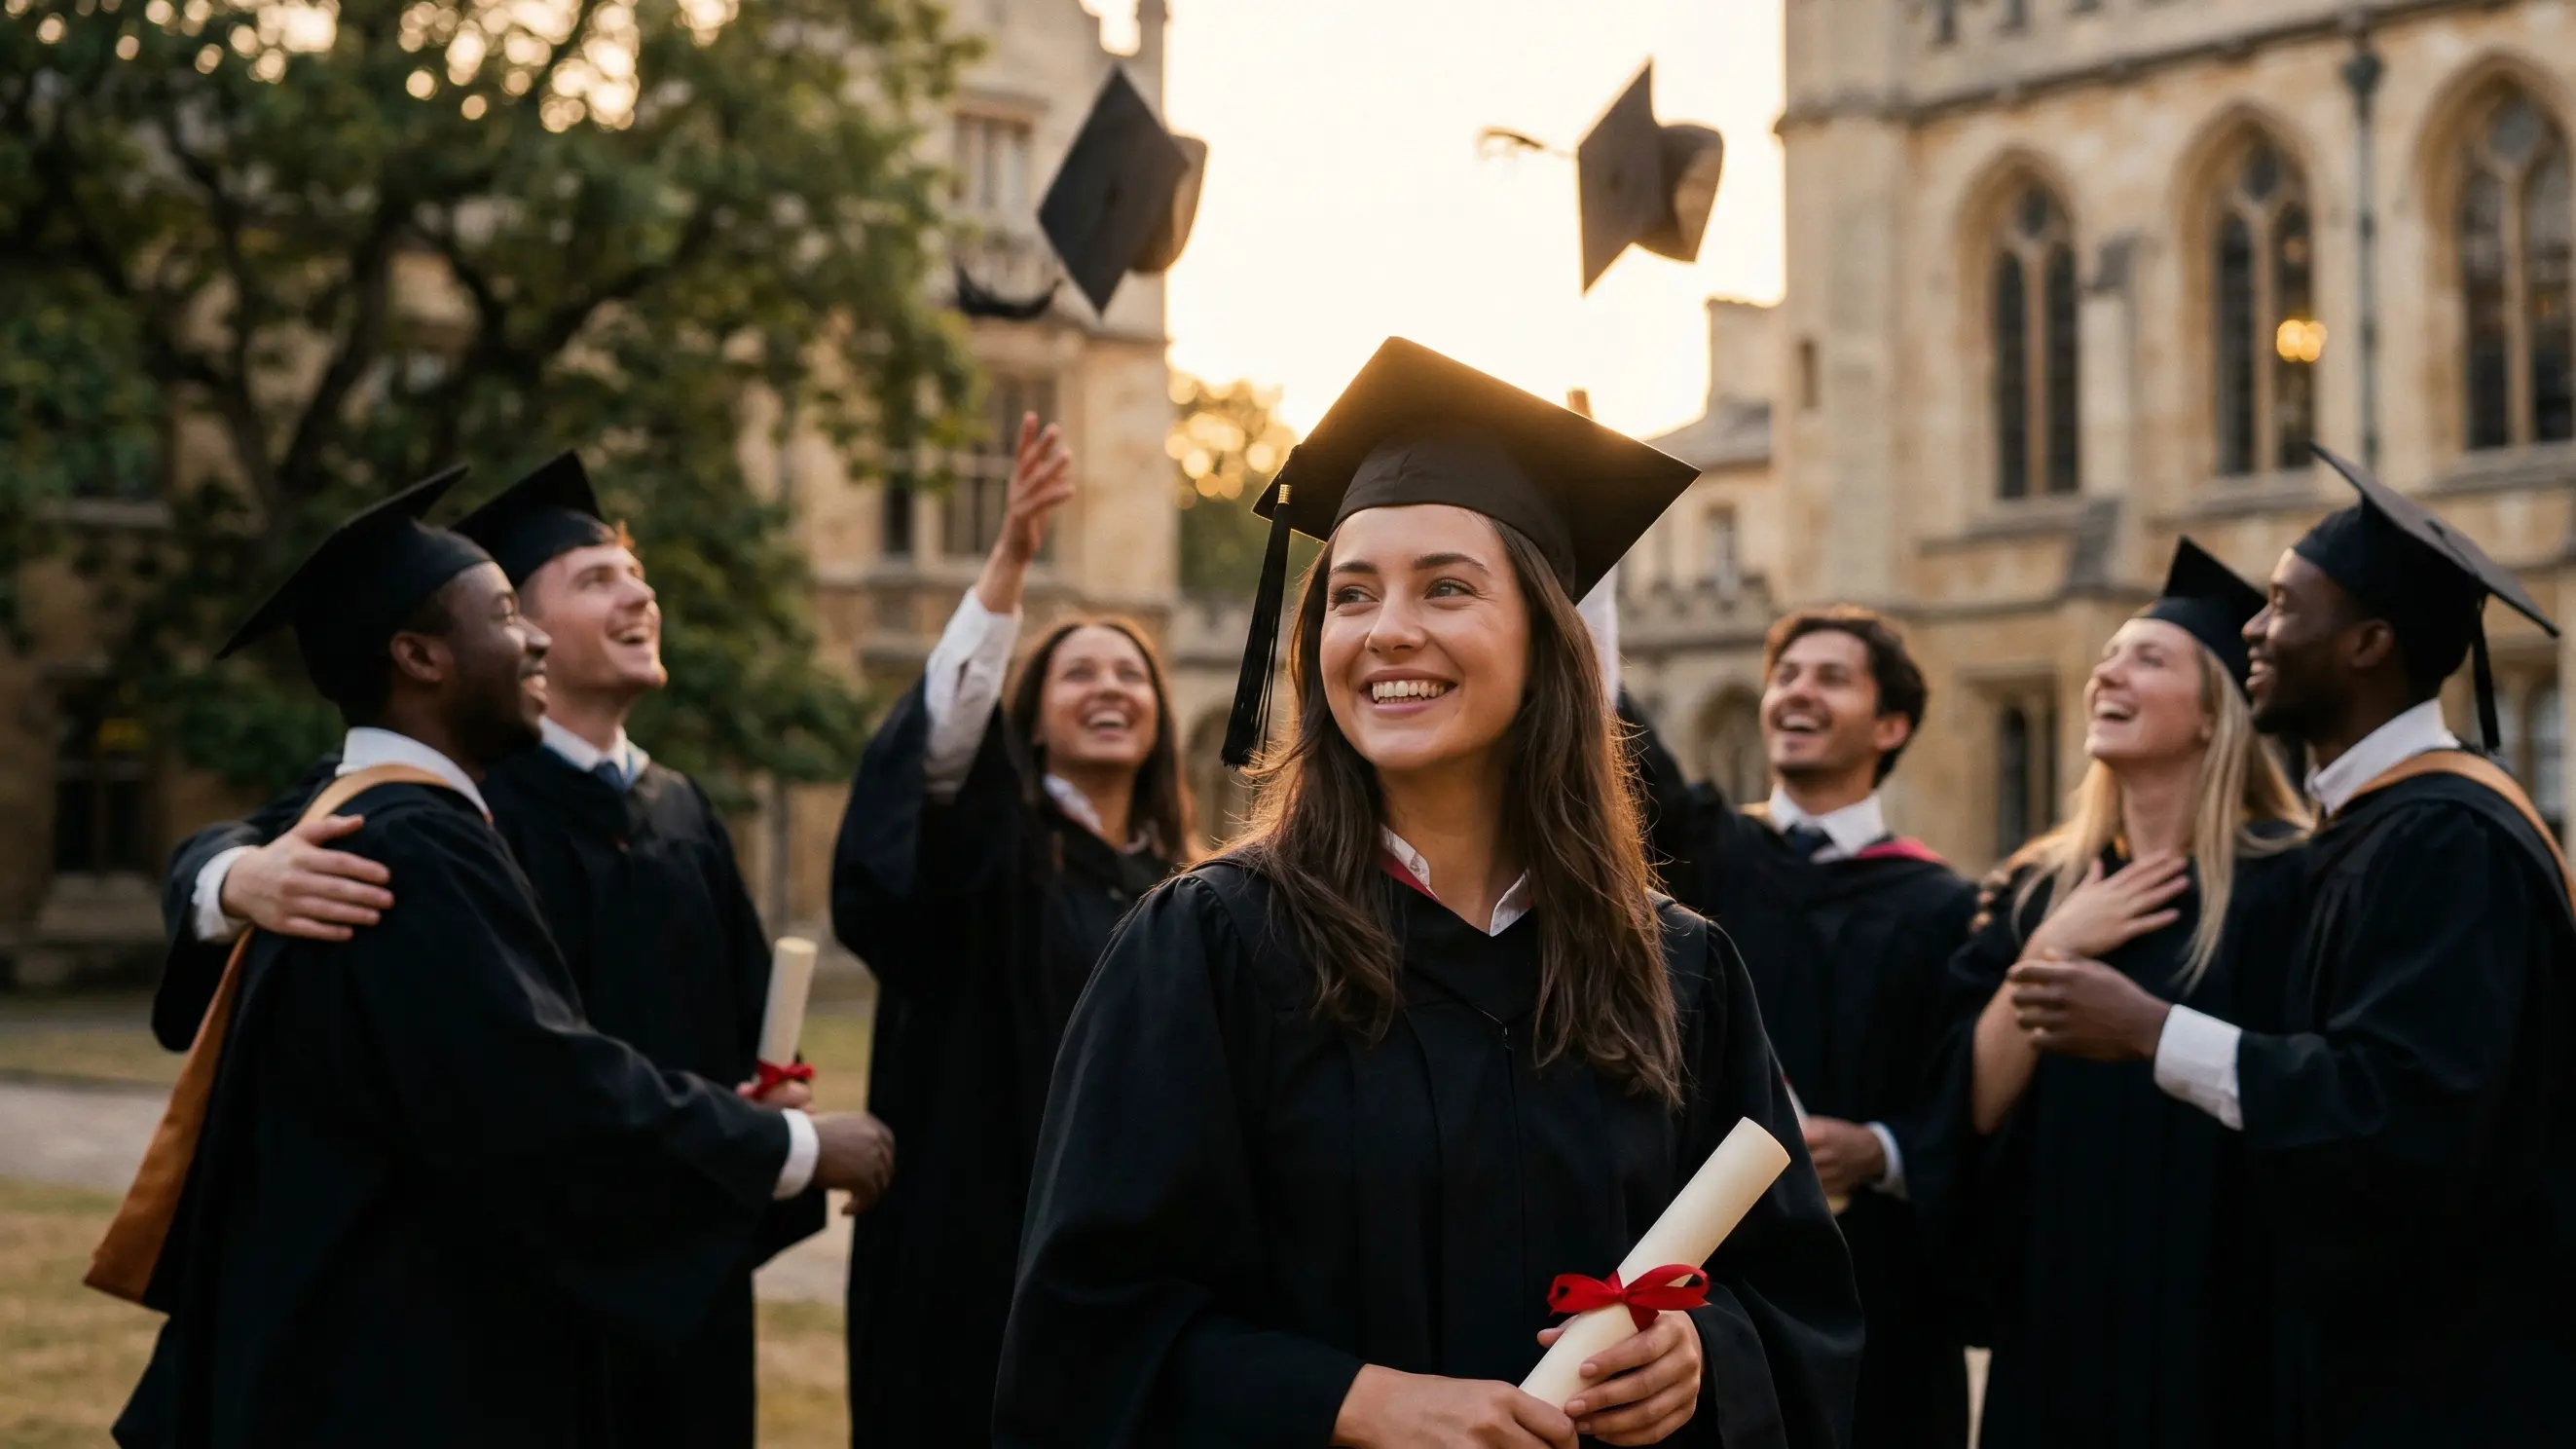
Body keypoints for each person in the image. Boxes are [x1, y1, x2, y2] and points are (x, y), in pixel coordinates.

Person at [994, 339, 1860, 1449]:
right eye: (1352, 595)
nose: (1388, 628)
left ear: (1548, 642)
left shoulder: (1677, 968)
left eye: (1446, 586)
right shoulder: (1209, 948)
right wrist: (1351, 1403)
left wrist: (1705, 1355)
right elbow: (1083, 1336)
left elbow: (1802, 1305)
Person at [109, 468, 895, 1447]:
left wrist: (750, 1117)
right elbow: (539, 1084)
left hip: (587, 1261)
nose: (635, 597)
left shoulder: (666, 813)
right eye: (538, 600)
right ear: (422, 655)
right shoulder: (397, 833)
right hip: (450, 1311)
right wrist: (234, 880)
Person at [2035, 447, 2575, 1447]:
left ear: (2369, 643)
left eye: (2284, 606)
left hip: (2455, 1384)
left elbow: (2400, 1111)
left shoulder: (2444, 838)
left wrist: (2153, 1032)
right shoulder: (2374, 827)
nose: (2252, 627)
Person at [828, 414, 1192, 1446]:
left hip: (1142, 1263)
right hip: (984, 1254)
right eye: (1079, 673)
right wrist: (1009, 564)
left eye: (1132, 676)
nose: (1111, 687)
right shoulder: (996, 862)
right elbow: (939, 763)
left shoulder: (1184, 891)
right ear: (1028, 721)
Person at [1938, 538, 2306, 1448]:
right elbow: (1971, 1108)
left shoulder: (2291, 887)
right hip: (2061, 1298)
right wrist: (2054, 947)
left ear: (2216, 714)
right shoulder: (2038, 891)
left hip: (2225, 1308)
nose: (2110, 672)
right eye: (2106, 657)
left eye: (2148, 658)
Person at [1614, 600, 1976, 1448]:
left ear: (1890, 725)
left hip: (1882, 1282)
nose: (1795, 694)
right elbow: (1617, 734)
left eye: (1830, 678)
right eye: (1785, 675)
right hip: (1721, 1286)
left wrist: (1887, 1149)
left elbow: (1965, 1096)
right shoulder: (1705, 857)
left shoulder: (1942, 907)